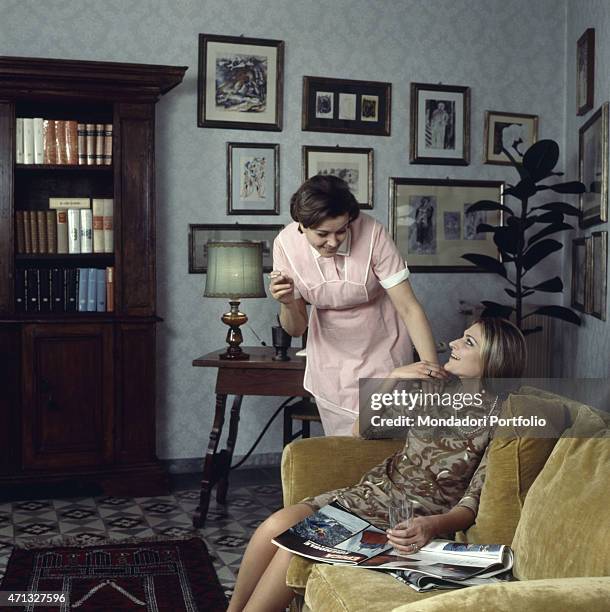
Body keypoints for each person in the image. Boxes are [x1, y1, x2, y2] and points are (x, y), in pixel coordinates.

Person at [227, 318, 527, 612]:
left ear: (494, 361)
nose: (453, 344)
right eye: (462, 336)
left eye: (468, 342)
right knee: (274, 525)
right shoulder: (435, 391)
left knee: (290, 549)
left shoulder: (502, 421)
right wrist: (393, 376)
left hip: (410, 518)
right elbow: (363, 429)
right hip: (371, 493)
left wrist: (431, 525)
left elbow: (472, 501)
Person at [269, 175, 441, 436]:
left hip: (384, 350)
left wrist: (431, 370)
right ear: (301, 225)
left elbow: (409, 308)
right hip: (331, 362)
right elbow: (296, 329)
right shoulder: (285, 245)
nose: (333, 242)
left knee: (387, 445)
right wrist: (286, 304)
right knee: (345, 449)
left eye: (342, 230)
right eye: (322, 234)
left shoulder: (373, 234)